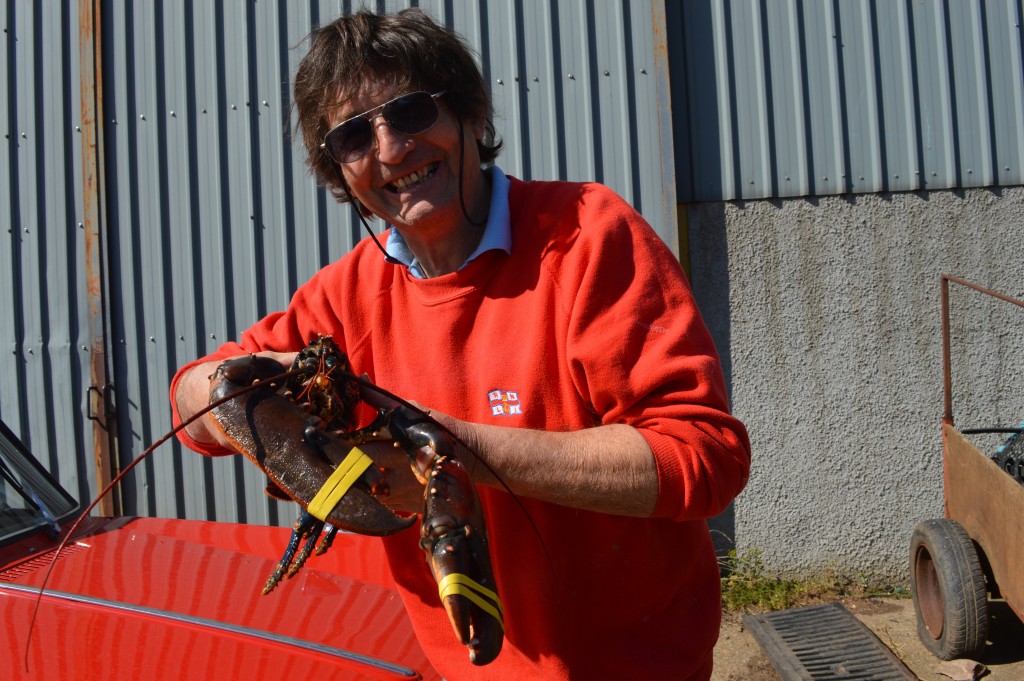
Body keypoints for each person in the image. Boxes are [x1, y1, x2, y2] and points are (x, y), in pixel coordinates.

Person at [170, 8, 750, 680]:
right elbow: (192, 402)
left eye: (411, 112)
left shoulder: (587, 235)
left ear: (471, 115)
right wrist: (235, 389)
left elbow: (704, 457)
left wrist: (448, 446)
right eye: (354, 135)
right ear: (339, 172)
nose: (390, 149)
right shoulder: (340, 299)